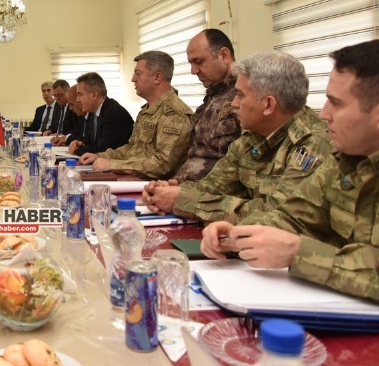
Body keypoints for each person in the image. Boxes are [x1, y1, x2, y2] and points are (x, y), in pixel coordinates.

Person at [201, 40, 379, 302]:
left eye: (336, 103)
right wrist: (238, 234)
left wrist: (298, 254)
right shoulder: (345, 160)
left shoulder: (324, 146)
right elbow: (295, 218)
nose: (324, 114)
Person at [144, 51, 331, 223]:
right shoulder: (251, 138)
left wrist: (185, 201)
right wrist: (168, 193)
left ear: (268, 105)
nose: (233, 103)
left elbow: (279, 215)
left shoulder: (313, 144)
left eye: (240, 95)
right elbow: (214, 185)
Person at [80, 51, 193, 179]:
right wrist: (100, 156)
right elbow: (131, 149)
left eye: (138, 74)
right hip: (136, 180)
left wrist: (113, 165)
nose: (133, 79)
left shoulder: (174, 114)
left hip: (158, 186)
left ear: (157, 77)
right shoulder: (147, 111)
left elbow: (162, 164)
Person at [173, 29, 241, 182]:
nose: (193, 71)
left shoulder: (244, 96)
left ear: (224, 56)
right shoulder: (212, 97)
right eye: (191, 63)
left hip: (211, 192)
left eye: (199, 62)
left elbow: (244, 165)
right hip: (184, 186)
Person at [67, 72, 134, 156]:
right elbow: (91, 141)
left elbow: (103, 149)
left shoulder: (114, 113)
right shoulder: (94, 112)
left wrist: (77, 150)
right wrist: (79, 143)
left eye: (80, 94)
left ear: (94, 94)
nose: (77, 100)